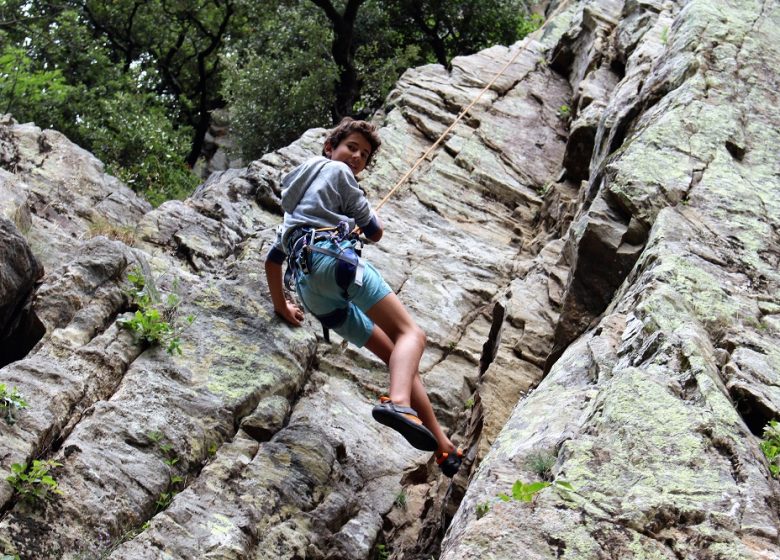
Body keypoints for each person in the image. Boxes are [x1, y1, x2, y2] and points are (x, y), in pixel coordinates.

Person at [264, 118, 462, 477]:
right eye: (351, 147)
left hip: (313, 295)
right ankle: (398, 402)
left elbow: (273, 260)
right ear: (330, 148)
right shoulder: (339, 174)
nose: (356, 156)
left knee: (396, 356)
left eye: (364, 154)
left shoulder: (293, 215)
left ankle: (442, 444)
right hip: (335, 262)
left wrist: (281, 305)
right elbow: (375, 232)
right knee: (412, 336)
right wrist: (361, 223)